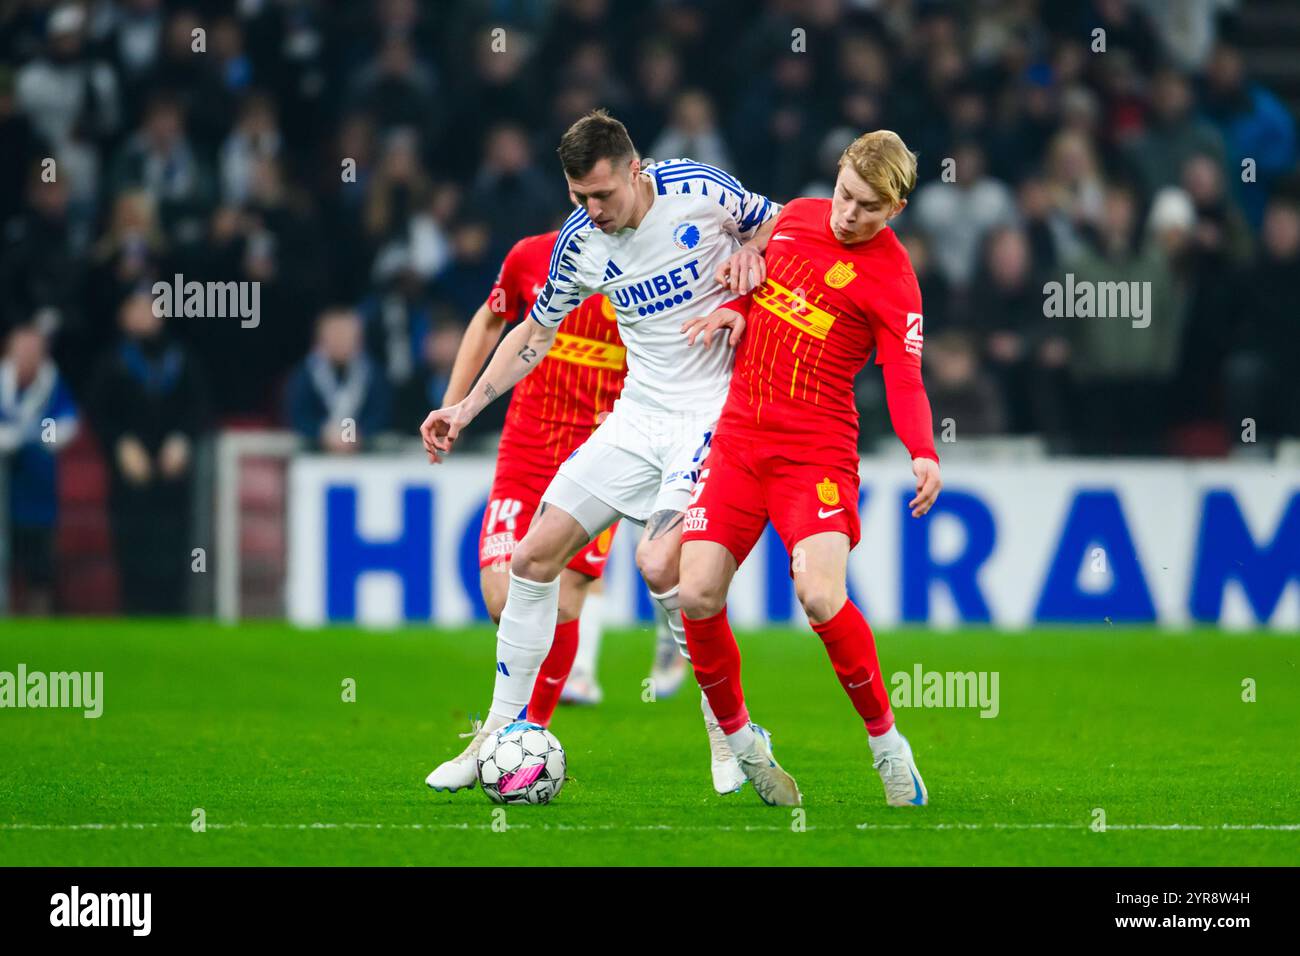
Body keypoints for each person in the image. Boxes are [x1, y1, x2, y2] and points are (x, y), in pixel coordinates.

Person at [421, 109, 779, 796]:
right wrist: (464, 407)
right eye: (577, 197)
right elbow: (534, 332)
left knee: (657, 562)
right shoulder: (579, 243)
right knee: (530, 559)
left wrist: (753, 255)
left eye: (603, 196)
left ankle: (726, 729)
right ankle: (493, 737)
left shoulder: (700, 191)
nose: (591, 211)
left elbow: (784, 219)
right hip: (637, 417)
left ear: (636, 171)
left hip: (709, 414)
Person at [676, 130, 942, 807]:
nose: (849, 215)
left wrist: (924, 453)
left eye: (869, 209)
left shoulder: (894, 280)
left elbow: (905, 381)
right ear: (839, 173)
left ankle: (887, 746)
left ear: (896, 210)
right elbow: (751, 283)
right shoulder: (791, 218)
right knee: (696, 593)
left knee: (820, 596)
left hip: (814, 453)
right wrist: (735, 309)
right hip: (739, 440)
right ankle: (741, 741)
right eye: (847, 195)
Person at [0, 323, 79, 613]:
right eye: (22, 349)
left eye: (34, 350)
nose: (28, 356)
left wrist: (33, 435)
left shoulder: (52, 384)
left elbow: (67, 424)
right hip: (5, 490)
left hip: (39, 493)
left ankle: (38, 623)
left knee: (39, 567)